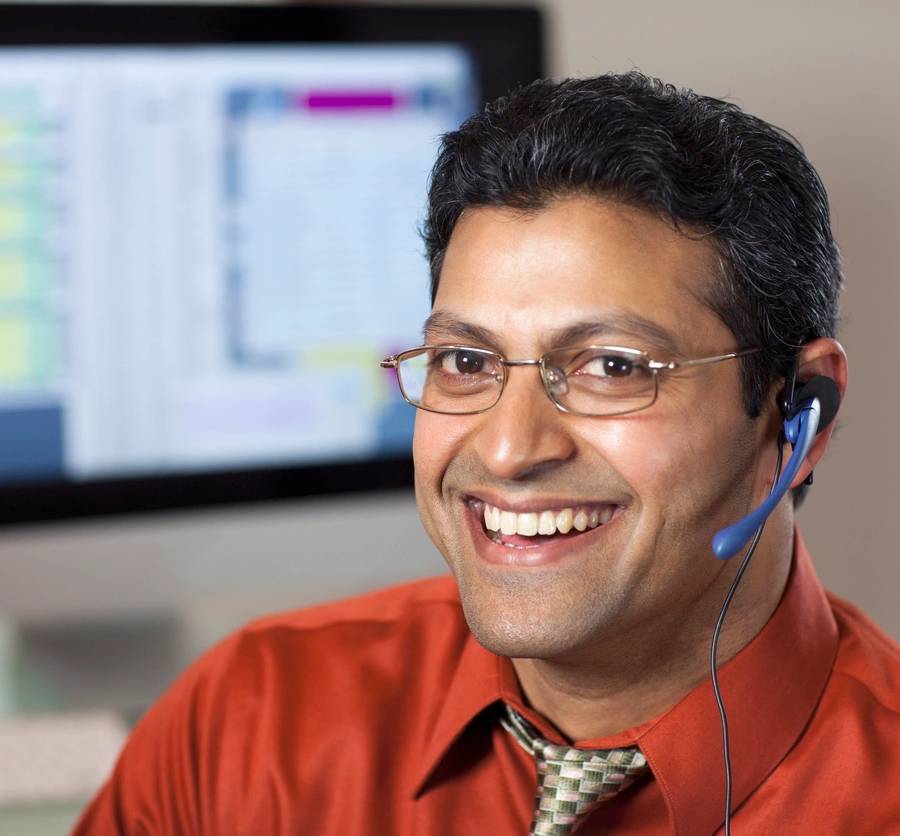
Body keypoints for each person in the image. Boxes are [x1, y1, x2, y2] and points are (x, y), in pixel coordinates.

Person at [74, 72, 900, 835]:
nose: (508, 449)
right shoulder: (246, 725)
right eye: (467, 362)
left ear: (799, 415)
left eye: (612, 367)